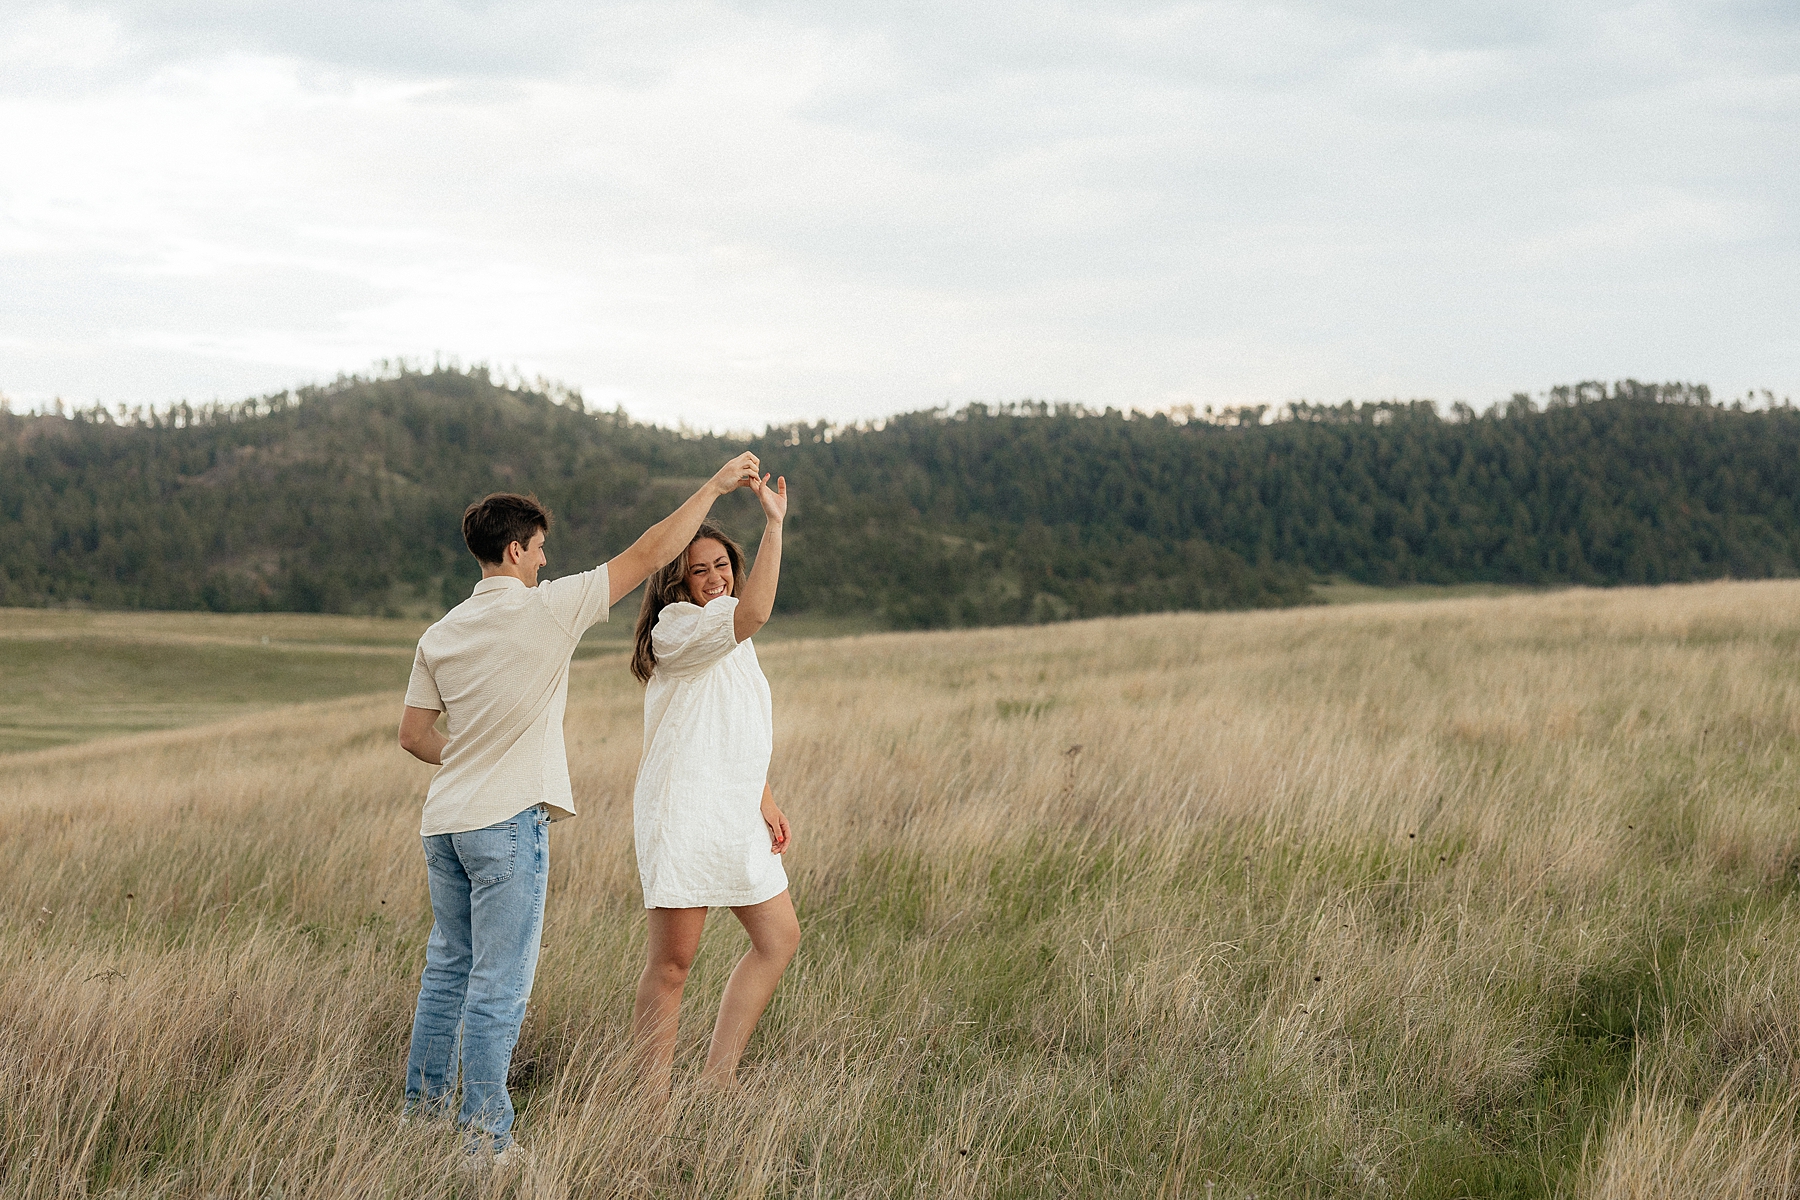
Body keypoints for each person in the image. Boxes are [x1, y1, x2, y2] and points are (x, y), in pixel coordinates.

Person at [396, 451, 763, 1165]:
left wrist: (471, 757)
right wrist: (715, 486)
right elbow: (652, 551)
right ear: (514, 549)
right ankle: (484, 1143)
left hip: (443, 824)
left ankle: (422, 1116)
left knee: (447, 970)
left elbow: (414, 737)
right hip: (505, 825)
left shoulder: (439, 634)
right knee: (499, 985)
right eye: (538, 548)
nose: (545, 559)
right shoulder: (548, 609)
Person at [628, 472, 799, 1101]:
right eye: (700, 570)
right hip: (685, 814)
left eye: (722, 564)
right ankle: (650, 1110)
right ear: (679, 581)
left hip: (735, 812)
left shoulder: (730, 626)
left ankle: (716, 1080)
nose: (716, 578)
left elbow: (736, 724)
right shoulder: (676, 627)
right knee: (673, 966)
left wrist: (766, 799)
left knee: (778, 938)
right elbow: (756, 610)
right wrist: (775, 523)